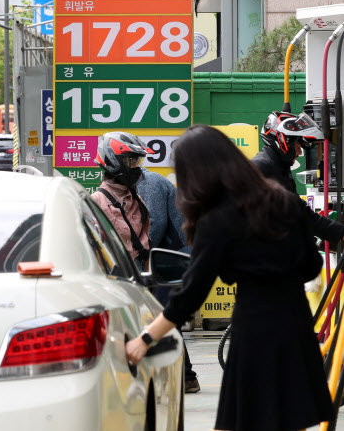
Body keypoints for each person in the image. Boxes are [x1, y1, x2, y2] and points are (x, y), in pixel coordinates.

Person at [126, 124, 333, 431]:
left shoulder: (216, 219)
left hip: (254, 328)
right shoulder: (284, 200)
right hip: (296, 323)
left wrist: (144, 340)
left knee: (240, 420)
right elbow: (312, 265)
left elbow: (192, 293)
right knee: (291, 418)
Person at [136, 167, 200, 393]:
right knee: (164, 315)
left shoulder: (148, 183)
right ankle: (185, 377)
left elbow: (154, 225)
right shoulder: (135, 184)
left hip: (175, 258)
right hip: (165, 259)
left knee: (163, 314)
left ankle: (186, 377)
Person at [252, 111, 344, 244]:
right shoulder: (263, 167)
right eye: (298, 146)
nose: (300, 152)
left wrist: (340, 232)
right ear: (284, 141)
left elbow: (298, 212)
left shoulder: (279, 168)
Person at [92, 131, 151, 268]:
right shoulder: (96, 202)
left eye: (137, 162)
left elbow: (145, 245)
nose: (136, 167)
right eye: (131, 161)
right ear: (114, 161)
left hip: (136, 275)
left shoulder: (137, 201)